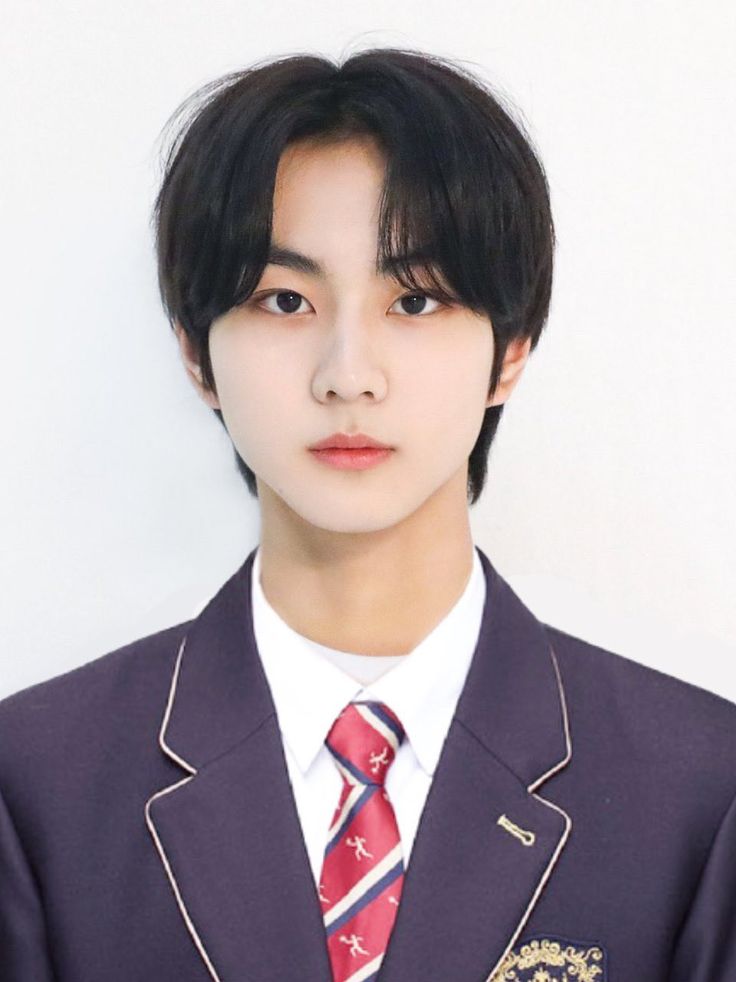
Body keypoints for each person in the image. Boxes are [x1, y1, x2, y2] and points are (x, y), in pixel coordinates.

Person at [0, 46, 734, 982]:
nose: (348, 373)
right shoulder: (35, 785)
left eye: (416, 299)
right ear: (196, 354)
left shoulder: (703, 791)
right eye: (284, 299)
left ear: (512, 348)